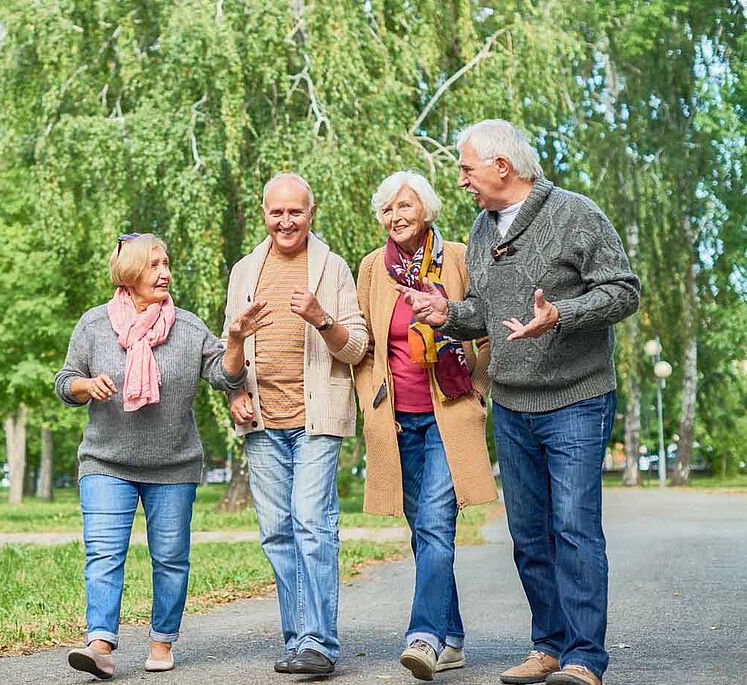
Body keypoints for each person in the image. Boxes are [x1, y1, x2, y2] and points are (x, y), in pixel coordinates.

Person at [400, 120, 640, 685]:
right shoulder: (482, 229)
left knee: (574, 528)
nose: (461, 180)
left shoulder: (575, 214)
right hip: (512, 405)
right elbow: (484, 312)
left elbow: (623, 292)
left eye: (467, 169)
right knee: (529, 535)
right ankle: (549, 646)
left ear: (502, 167)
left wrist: (561, 315)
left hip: (576, 399)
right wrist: (447, 314)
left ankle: (585, 657)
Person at [55, 233, 269, 680]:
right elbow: (65, 380)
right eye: (154, 265)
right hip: (105, 462)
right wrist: (86, 385)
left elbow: (226, 377)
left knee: (170, 558)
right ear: (130, 272)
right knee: (103, 554)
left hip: (173, 465)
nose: (165, 272)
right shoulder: (95, 324)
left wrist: (233, 341)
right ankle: (100, 645)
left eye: (166, 263)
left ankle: (161, 640)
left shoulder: (187, 328)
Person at [354, 170, 498, 681]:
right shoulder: (373, 268)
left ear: (427, 210)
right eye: (388, 208)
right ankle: (452, 636)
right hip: (396, 420)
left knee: (436, 524)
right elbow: (365, 344)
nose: (395, 216)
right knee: (423, 532)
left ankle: (424, 636)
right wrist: (370, 403)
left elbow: (487, 326)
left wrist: (478, 388)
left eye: (405, 205)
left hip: (448, 413)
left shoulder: (458, 257)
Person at [223, 172, 367, 675]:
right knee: (276, 533)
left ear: (311, 213)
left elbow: (357, 348)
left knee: (311, 522)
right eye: (277, 212)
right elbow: (229, 356)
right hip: (262, 420)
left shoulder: (331, 268)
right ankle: (298, 638)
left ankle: (319, 643)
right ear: (264, 213)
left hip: (316, 418)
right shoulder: (245, 270)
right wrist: (235, 390)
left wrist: (321, 318)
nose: (286, 221)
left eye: (295, 212)